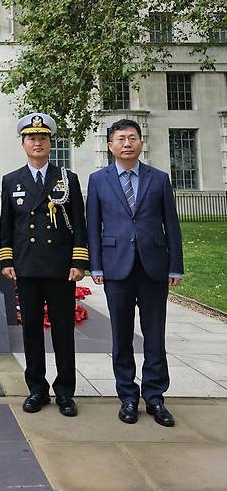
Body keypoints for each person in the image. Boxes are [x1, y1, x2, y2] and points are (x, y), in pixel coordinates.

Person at [87, 119, 184, 427]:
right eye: (120, 139)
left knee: (154, 335)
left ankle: (155, 397)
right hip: (117, 267)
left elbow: (172, 225)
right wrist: (96, 265)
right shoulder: (98, 180)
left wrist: (175, 266)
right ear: (110, 145)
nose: (127, 143)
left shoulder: (159, 179)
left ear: (141, 143)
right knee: (122, 336)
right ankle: (127, 396)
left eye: (132, 138)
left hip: (154, 266)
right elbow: (93, 226)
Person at [0, 113, 88, 417]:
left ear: (50, 142)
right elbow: (7, 225)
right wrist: (7, 259)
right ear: (23, 143)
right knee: (32, 331)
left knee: (63, 330)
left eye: (43, 138)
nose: (37, 143)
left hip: (61, 268)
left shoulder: (66, 179)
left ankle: (64, 390)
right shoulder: (12, 180)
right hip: (27, 268)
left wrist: (78, 261)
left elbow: (79, 223)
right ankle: (37, 388)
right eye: (31, 138)